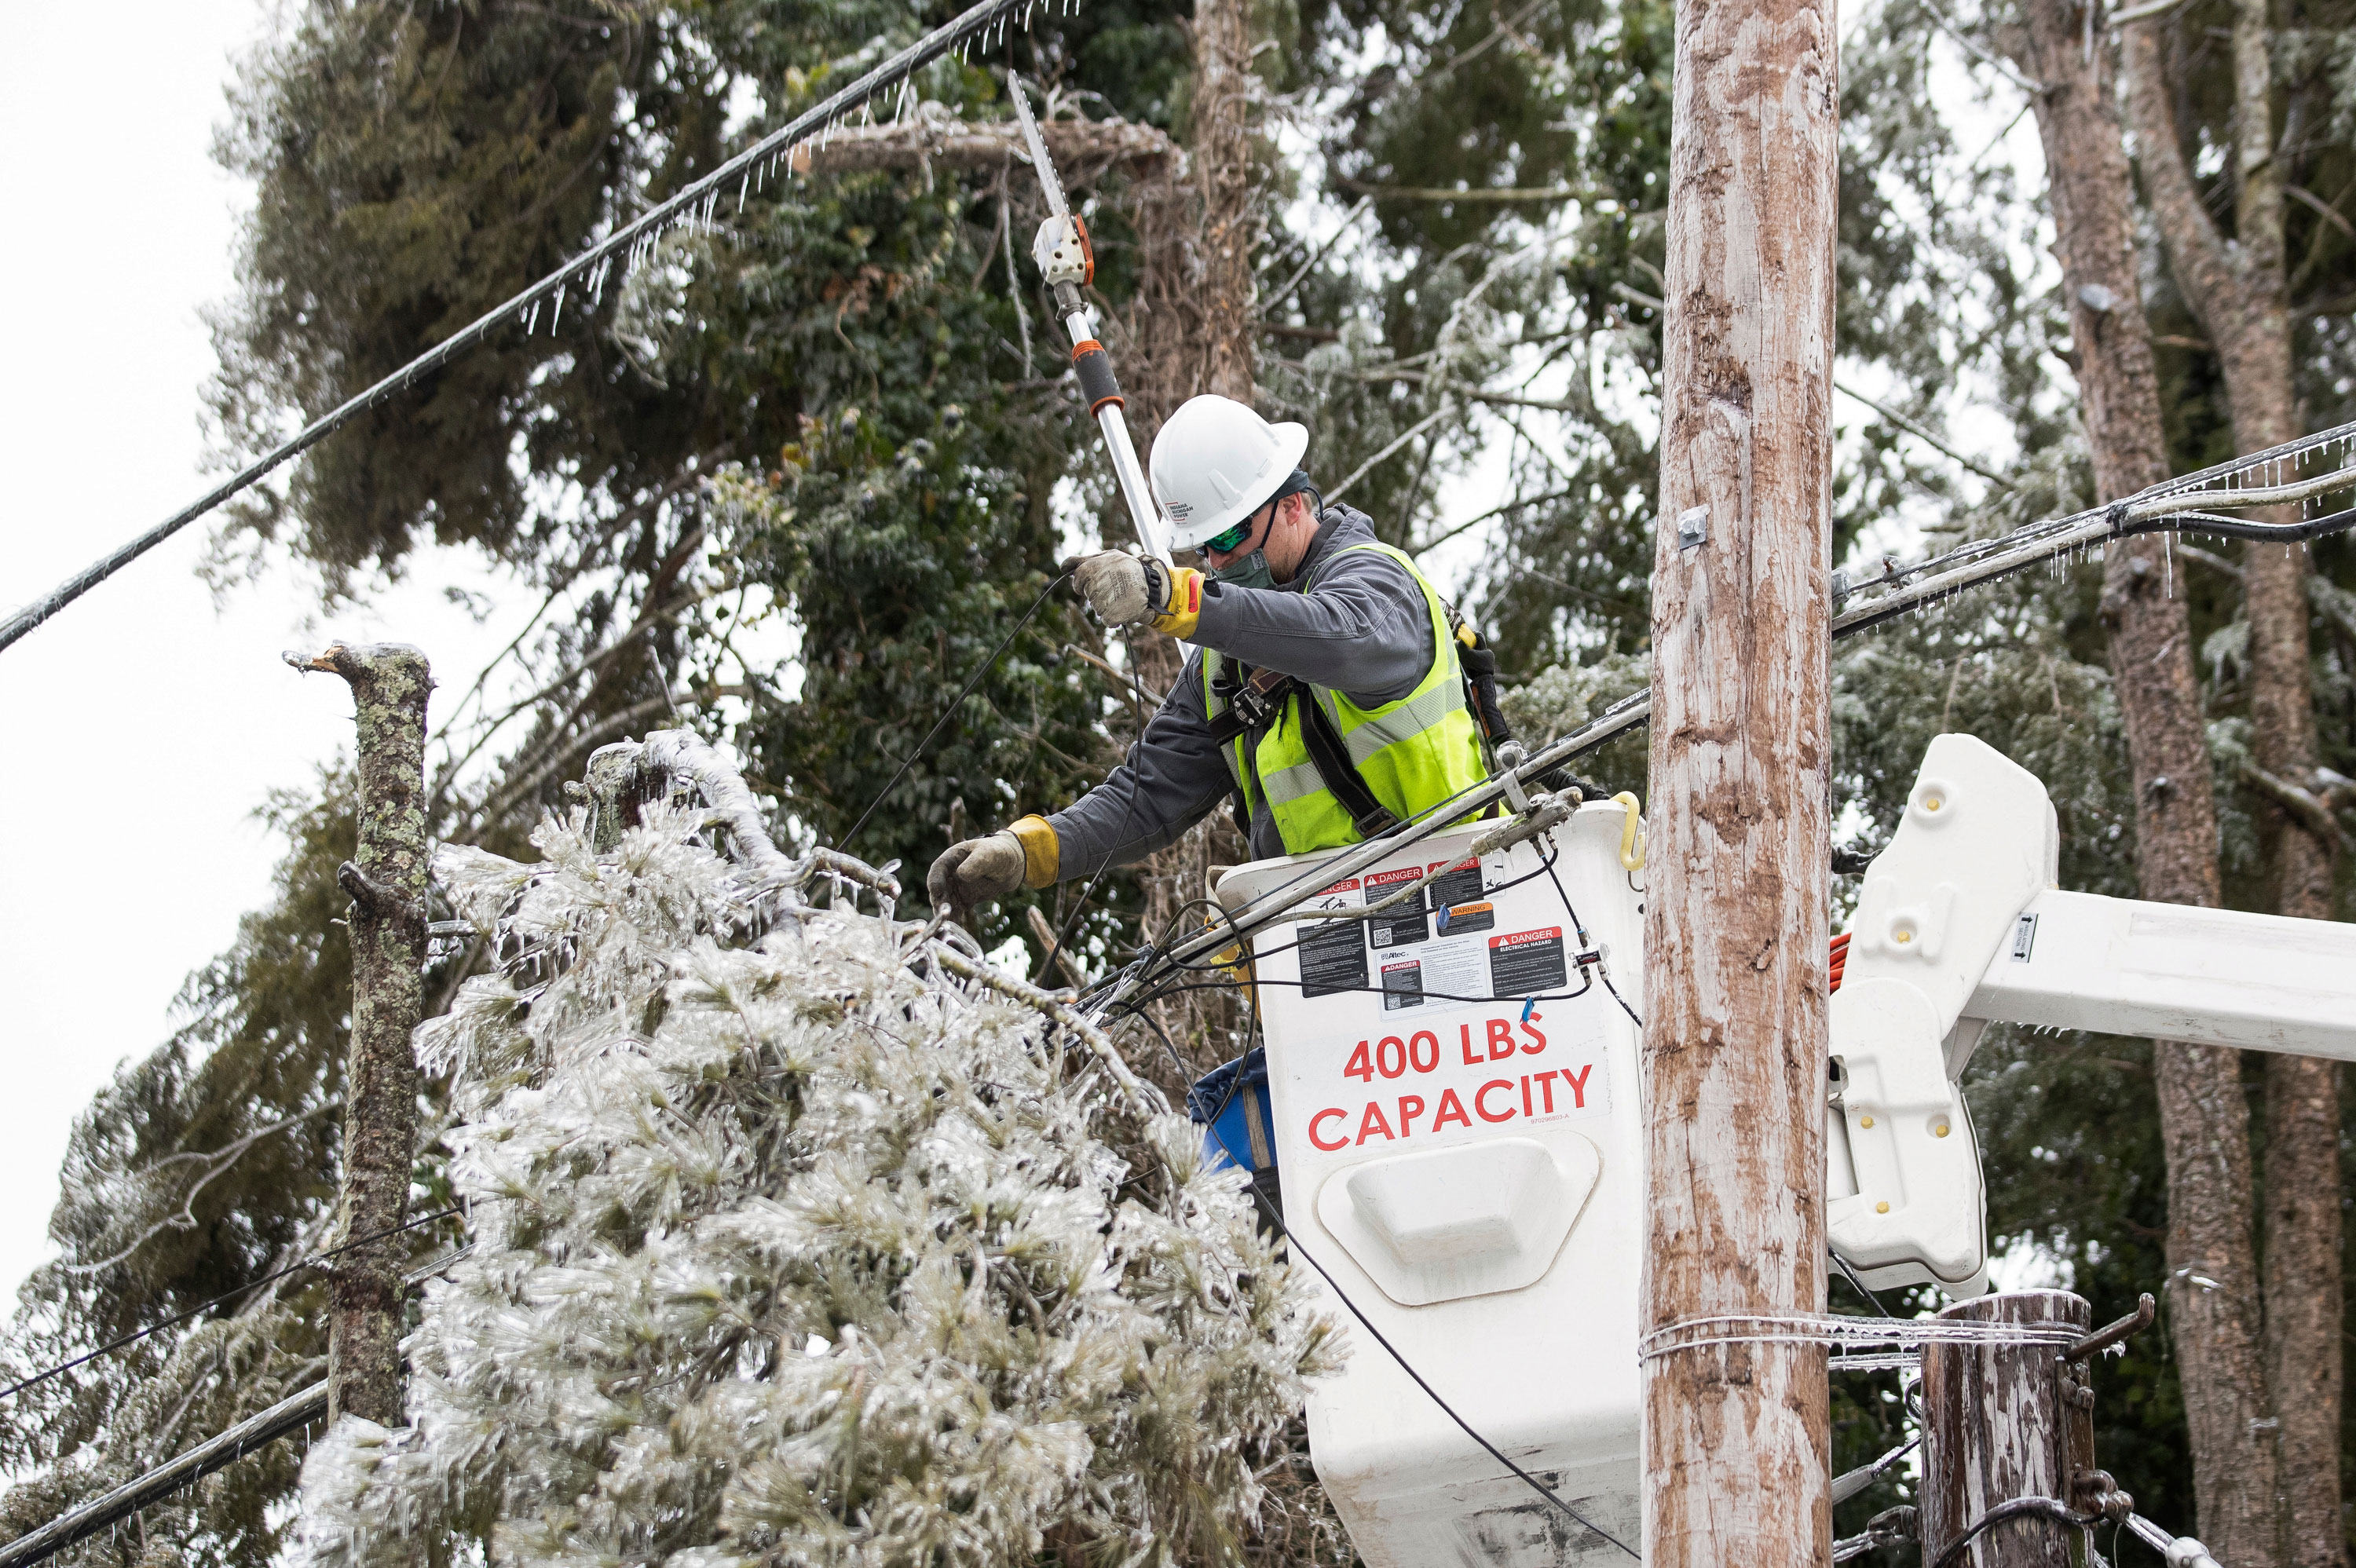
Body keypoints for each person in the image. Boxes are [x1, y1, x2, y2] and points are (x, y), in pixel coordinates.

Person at [927, 393, 1491, 913]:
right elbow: (1147, 794)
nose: (1218, 562)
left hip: (1464, 895)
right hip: (1328, 937)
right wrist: (1029, 850)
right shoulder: (1223, 668)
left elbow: (1337, 639)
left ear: (1293, 505)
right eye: (1204, 547)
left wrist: (1170, 596)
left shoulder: (1377, 582)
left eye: (1229, 539)